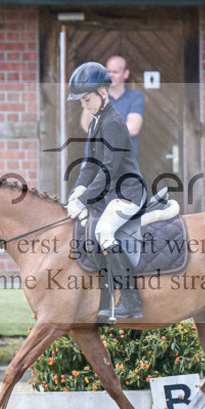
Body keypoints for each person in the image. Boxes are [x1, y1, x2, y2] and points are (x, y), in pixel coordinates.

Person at [66, 61, 147, 320]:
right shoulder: (95, 122)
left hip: (127, 193)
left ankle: (131, 299)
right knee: (88, 227)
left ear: (103, 93)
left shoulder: (113, 122)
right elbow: (90, 163)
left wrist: (87, 198)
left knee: (103, 230)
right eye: (81, 101)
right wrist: (78, 189)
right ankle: (104, 294)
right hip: (110, 194)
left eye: (86, 99)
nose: (83, 105)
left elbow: (109, 170)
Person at [80, 55, 145, 156]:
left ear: (126, 74)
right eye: (108, 72)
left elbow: (132, 128)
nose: (111, 75)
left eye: (115, 72)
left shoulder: (135, 97)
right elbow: (87, 127)